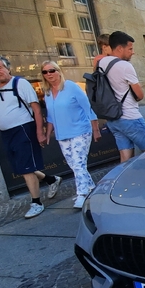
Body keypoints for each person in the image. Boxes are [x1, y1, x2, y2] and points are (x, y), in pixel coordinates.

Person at [0, 55, 61, 218]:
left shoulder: (21, 84)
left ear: (8, 68)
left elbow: (36, 109)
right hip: (6, 133)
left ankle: (36, 203)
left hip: (23, 130)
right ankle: (51, 180)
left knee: (26, 168)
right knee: (22, 167)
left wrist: (39, 132)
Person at [41, 61, 100, 209]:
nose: (49, 74)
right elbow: (50, 117)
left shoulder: (71, 87)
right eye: (45, 72)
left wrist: (96, 129)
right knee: (74, 165)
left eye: (52, 70)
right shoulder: (47, 93)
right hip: (62, 135)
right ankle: (91, 187)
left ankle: (81, 194)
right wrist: (48, 133)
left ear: (59, 71)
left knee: (79, 163)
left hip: (80, 130)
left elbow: (88, 108)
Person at [98, 31, 145, 163]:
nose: (133, 52)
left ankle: (126, 182)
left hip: (113, 119)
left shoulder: (101, 64)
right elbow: (140, 95)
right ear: (119, 48)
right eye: (130, 48)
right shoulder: (125, 66)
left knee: (125, 159)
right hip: (130, 117)